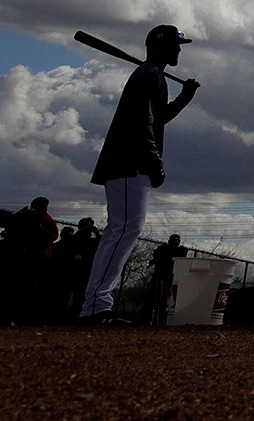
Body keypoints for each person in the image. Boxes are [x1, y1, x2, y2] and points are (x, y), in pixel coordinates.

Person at [79, 24, 199, 323]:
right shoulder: (148, 74)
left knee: (122, 230)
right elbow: (141, 122)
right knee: (123, 230)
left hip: (127, 162)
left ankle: (95, 303)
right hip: (130, 163)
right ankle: (96, 304)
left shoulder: (152, 75)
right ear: (158, 47)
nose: (179, 50)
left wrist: (185, 97)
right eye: (175, 45)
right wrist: (154, 161)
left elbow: (158, 119)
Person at [149, 234, 187, 324]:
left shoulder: (180, 251)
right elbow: (155, 259)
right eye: (173, 241)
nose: (174, 243)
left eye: (176, 241)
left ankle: (164, 318)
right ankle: (152, 318)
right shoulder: (163, 249)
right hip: (160, 275)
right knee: (154, 297)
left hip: (171, 277)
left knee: (167, 298)